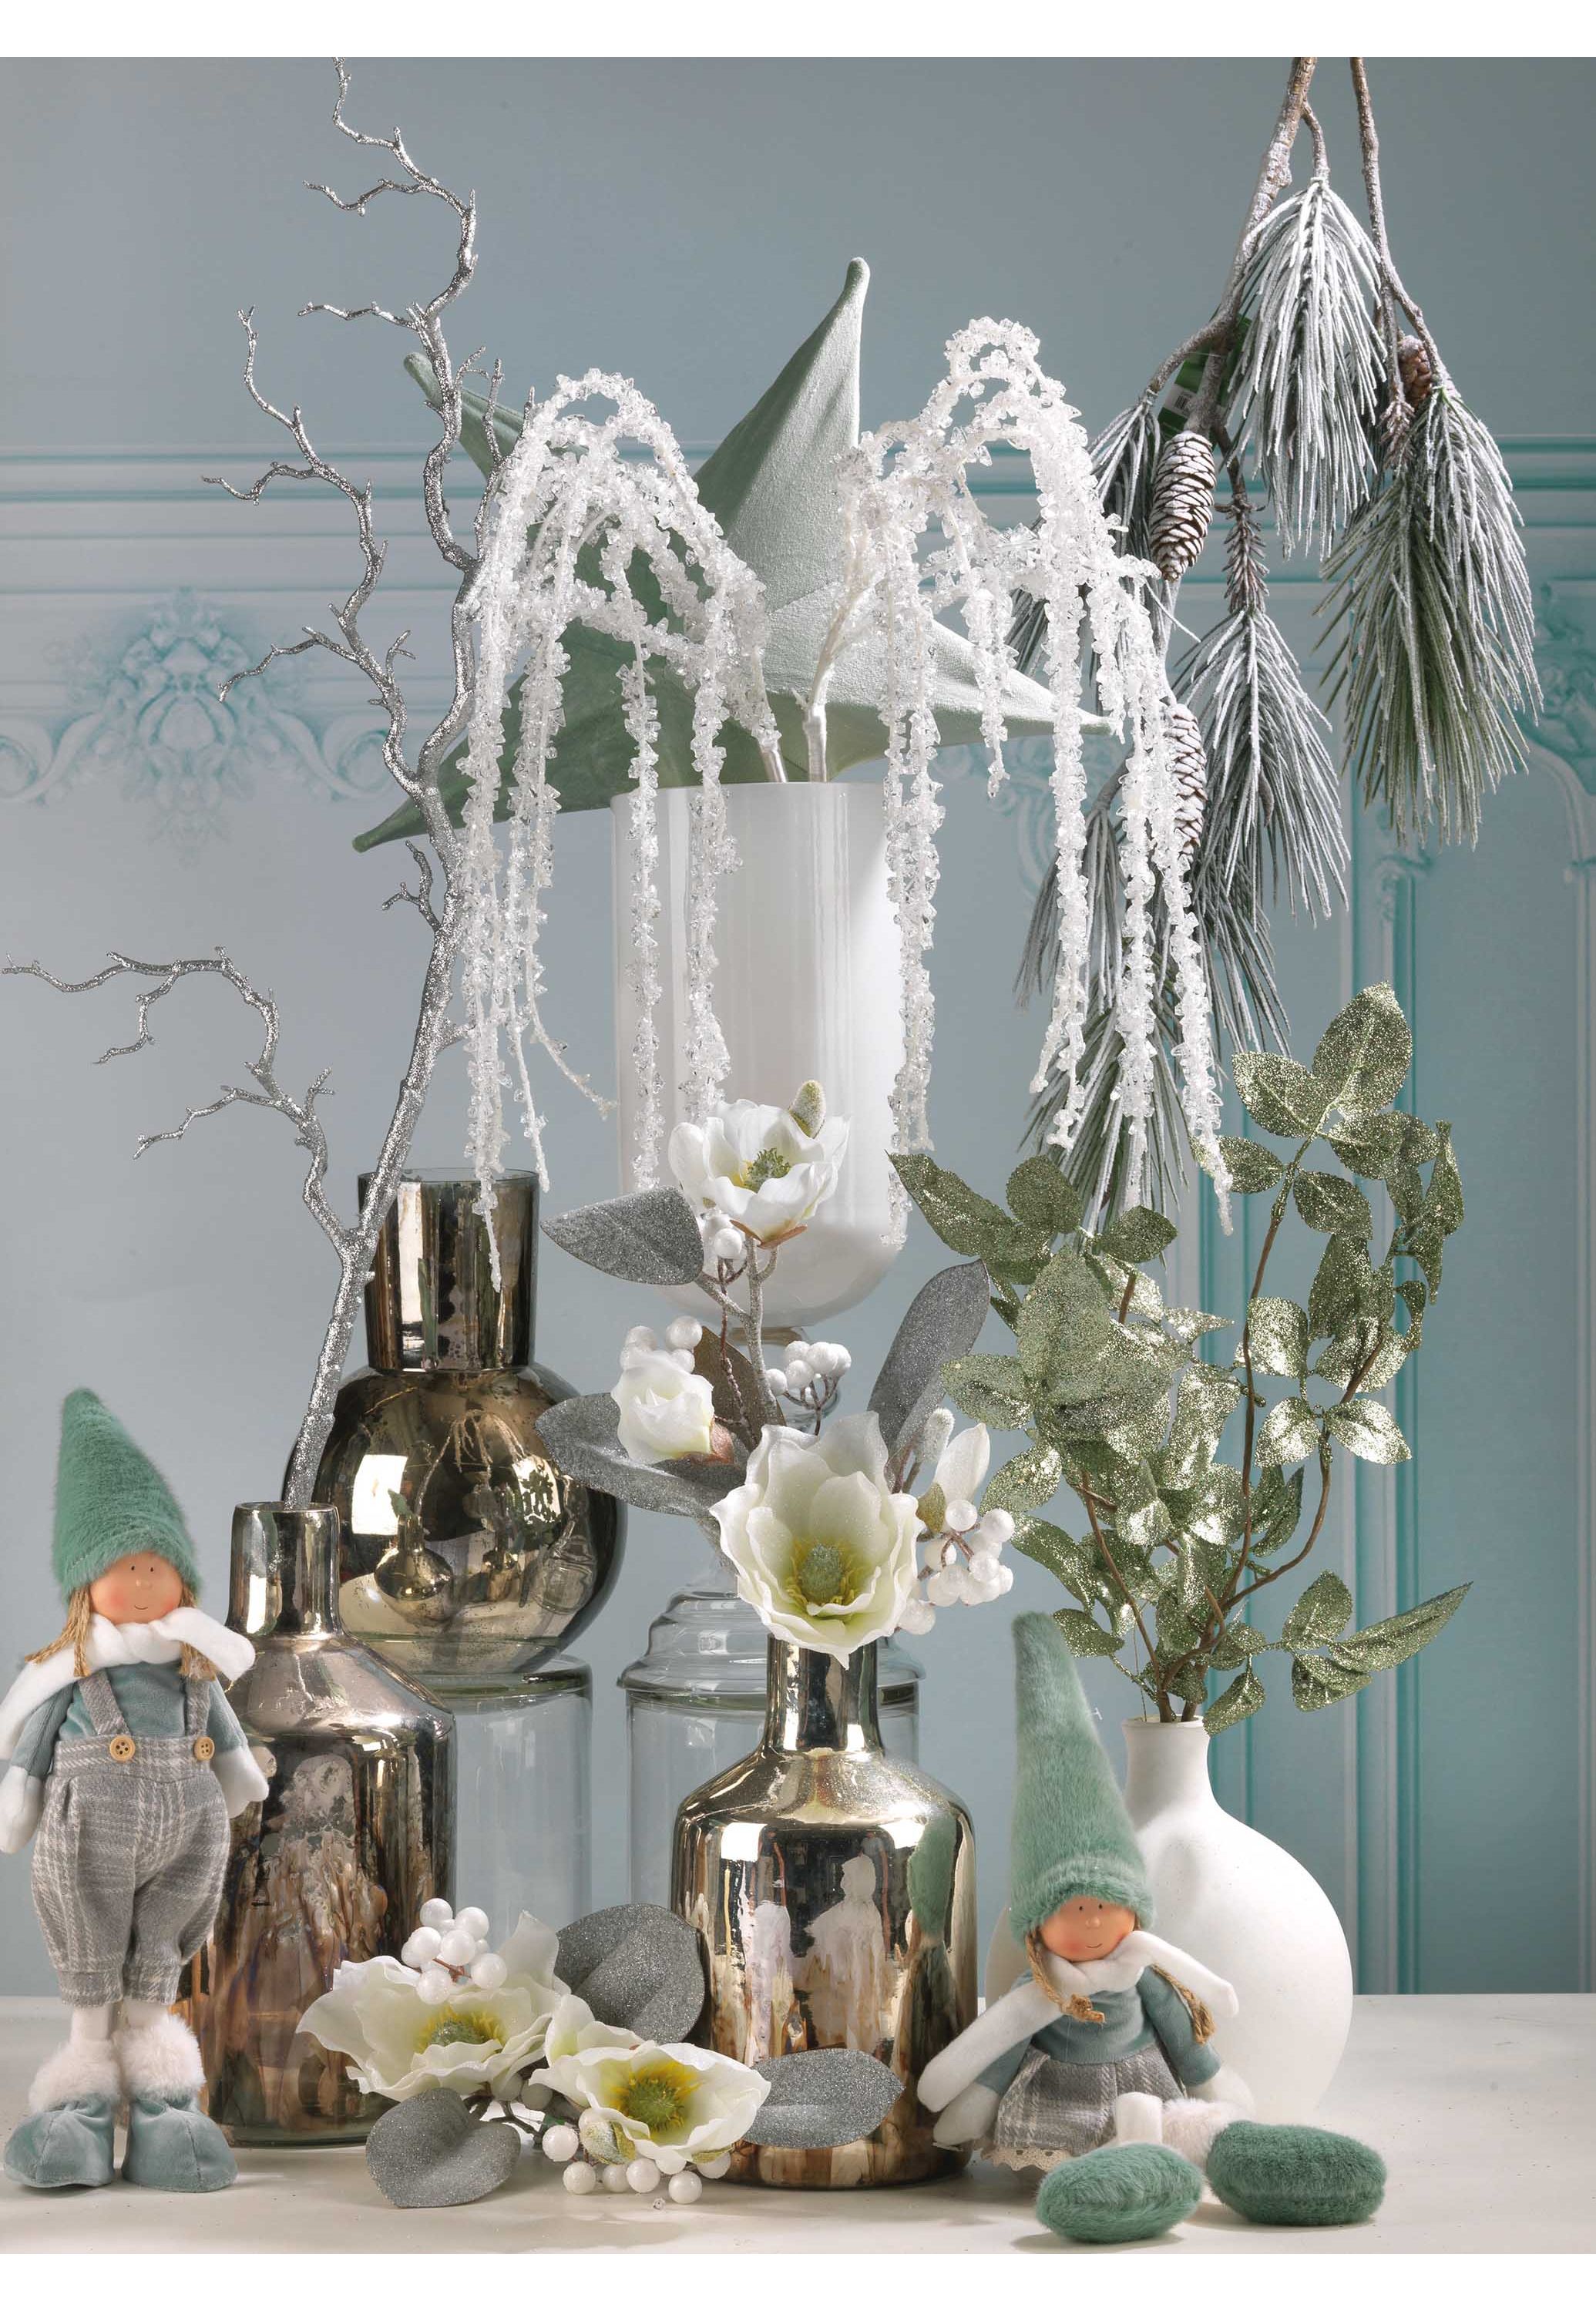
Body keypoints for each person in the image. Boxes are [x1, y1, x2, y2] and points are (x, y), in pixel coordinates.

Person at [918, 1614, 1386, 2242]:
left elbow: (1185, 2043)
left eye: (1105, 1904)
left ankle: (1225, 2166)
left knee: (1183, 2127)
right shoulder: (1040, 1994)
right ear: (1034, 1927)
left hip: (1148, 2092)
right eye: (1070, 1908)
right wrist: (966, 2104)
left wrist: (1215, 2083)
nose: (1091, 1920)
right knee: (1107, 2158)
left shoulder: (1143, 1975)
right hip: (1059, 2102)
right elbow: (997, 2050)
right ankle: (1116, 2187)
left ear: (1135, 1910)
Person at [0, 1390, 267, 2192]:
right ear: (88, 1584)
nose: (145, 1576)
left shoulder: (196, 1668)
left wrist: (240, 1776)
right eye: (124, 1563)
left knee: (160, 1955)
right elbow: (35, 1746)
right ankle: (81, 2104)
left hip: (188, 1836)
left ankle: (162, 2104)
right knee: (91, 1950)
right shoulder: (72, 1672)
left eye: (158, 1561)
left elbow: (226, 1738)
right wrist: (19, 1796)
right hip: (87, 1835)